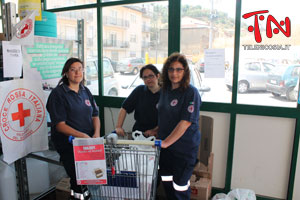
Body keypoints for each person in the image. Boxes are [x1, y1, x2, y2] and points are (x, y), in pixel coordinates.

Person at [46, 58, 100, 200]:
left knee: (91, 176)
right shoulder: (58, 94)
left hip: (87, 143)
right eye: (73, 69)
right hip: (69, 144)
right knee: (78, 178)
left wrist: (96, 133)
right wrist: (82, 135)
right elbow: (60, 125)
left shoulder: (85, 91)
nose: (77, 72)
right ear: (66, 73)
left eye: (80, 69)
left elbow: (95, 116)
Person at [157, 52, 201, 199]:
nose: (174, 73)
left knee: (180, 186)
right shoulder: (165, 91)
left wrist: (165, 142)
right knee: (166, 180)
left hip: (183, 148)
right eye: (171, 69)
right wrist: (155, 131)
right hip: (165, 148)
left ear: (185, 71)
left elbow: (185, 122)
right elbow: (166, 117)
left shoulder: (191, 93)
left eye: (178, 69)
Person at [115, 64, 161, 137]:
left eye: (151, 76)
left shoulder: (166, 94)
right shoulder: (139, 91)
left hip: (159, 134)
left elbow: (169, 118)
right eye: (145, 77)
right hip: (139, 134)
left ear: (157, 76)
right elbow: (124, 108)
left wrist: (155, 130)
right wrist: (118, 127)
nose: (148, 79)